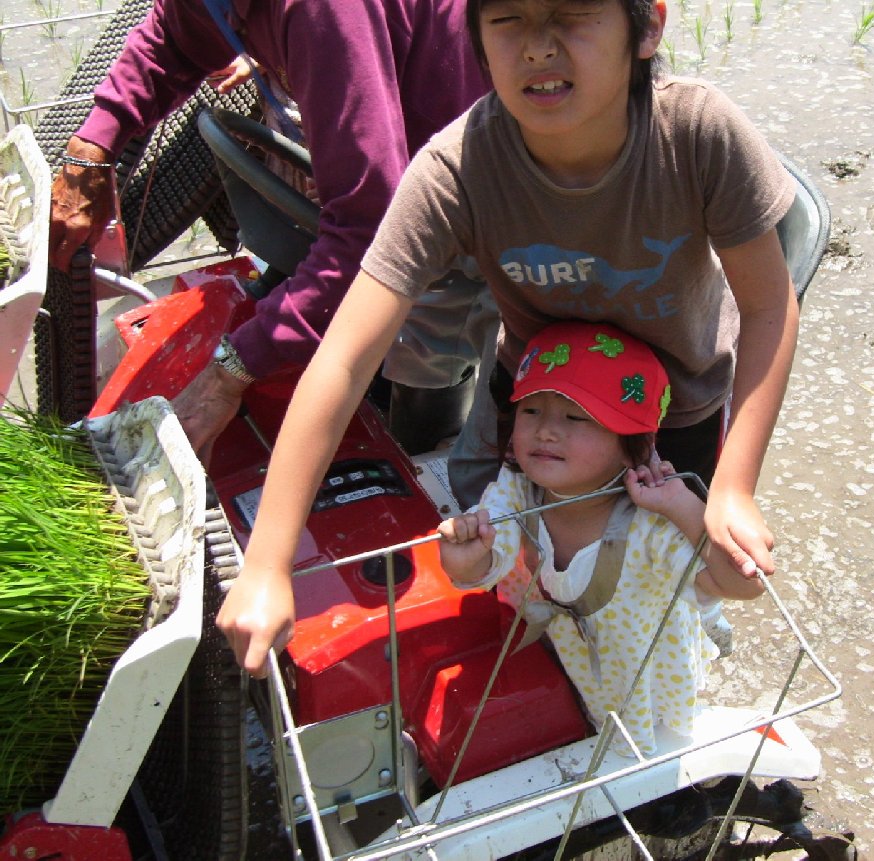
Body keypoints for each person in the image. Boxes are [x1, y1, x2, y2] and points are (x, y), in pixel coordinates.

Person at [217, 0, 799, 678]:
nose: (538, 47)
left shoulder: (696, 133)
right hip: (536, 400)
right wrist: (267, 562)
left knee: (664, 591)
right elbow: (346, 358)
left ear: (646, 26)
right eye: (508, 20)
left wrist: (733, 487)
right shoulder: (458, 166)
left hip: (671, 415)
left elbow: (768, 306)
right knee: (530, 564)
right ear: (475, 40)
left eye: (571, 15)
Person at [47, 0, 491, 461]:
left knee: (435, 344)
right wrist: (93, 146)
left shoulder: (326, 12)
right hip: (391, 157)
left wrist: (230, 373)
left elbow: (374, 233)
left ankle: (429, 458)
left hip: (476, 180)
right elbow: (175, 36)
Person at [438, 322, 756, 753]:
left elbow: (744, 584)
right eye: (531, 411)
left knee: (637, 745)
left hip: (638, 675)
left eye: (575, 417)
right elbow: (490, 556)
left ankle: (709, 627)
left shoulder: (650, 526)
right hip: (566, 651)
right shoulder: (517, 486)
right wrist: (464, 561)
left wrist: (683, 504)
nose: (546, 431)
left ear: (632, 446)